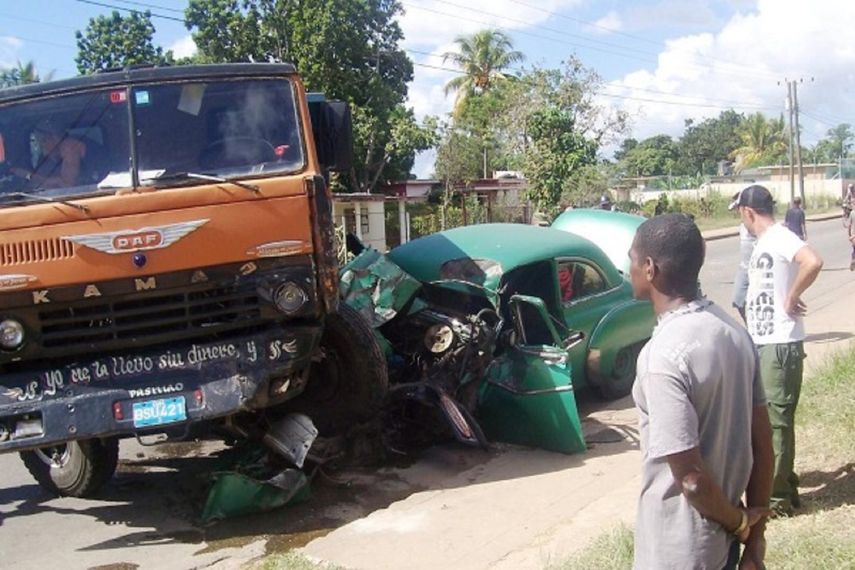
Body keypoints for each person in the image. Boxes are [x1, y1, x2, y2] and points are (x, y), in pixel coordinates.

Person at [628, 213, 773, 570]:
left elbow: (691, 482)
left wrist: (740, 524)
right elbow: (764, 446)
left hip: (678, 550)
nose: (627, 268)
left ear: (649, 268)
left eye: (631, 259)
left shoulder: (662, 357)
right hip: (725, 547)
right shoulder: (732, 332)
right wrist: (754, 541)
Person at [735, 184, 824, 516]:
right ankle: (783, 483)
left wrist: (791, 297)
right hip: (764, 342)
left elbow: (813, 261)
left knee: (776, 422)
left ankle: (777, 500)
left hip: (779, 343)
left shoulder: (780, 236)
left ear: (748, 212)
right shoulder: (764, 242)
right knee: (768, 420)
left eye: (740, 214)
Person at [11, 119, 86, 189]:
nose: (42, 145)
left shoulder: (70, 147)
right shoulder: (47, 159)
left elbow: (67, 184)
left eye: (44, 140)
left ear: (55, 137)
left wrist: (27, 175)